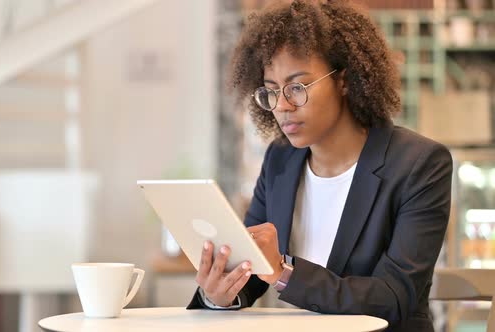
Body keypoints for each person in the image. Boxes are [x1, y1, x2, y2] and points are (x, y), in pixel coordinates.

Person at [187, 1, 452, 331]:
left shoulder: (419, 164)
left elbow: (393, 297)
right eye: (271, 91)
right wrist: (220, 294)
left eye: (298, 87)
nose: (282, 106)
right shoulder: (280, 159)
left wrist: (284, 272)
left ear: (344, 80)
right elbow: (253, 271)